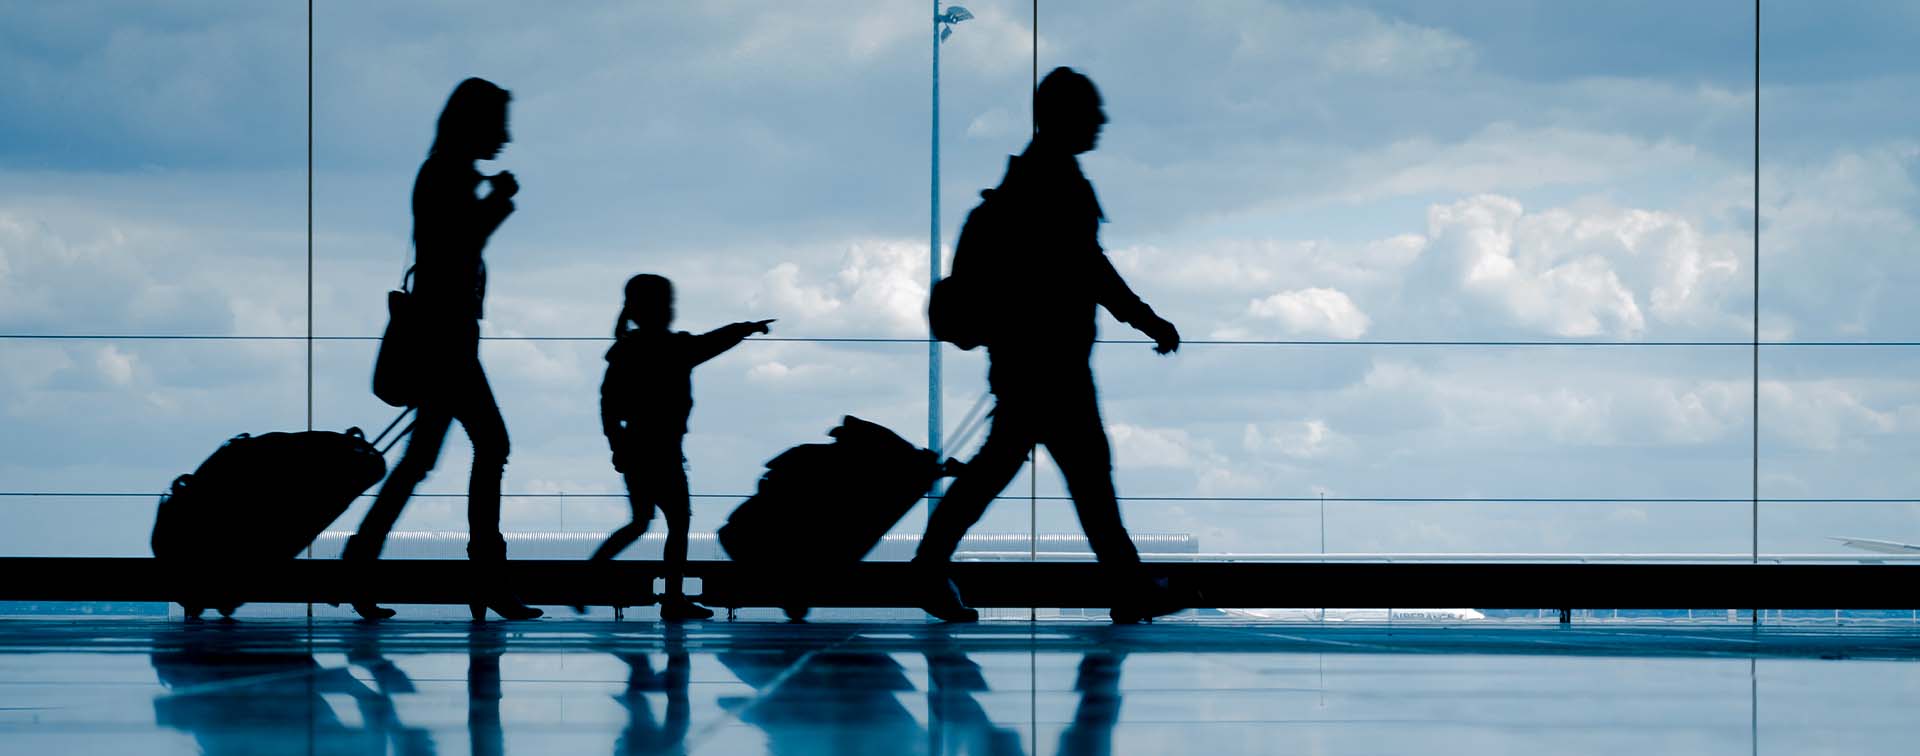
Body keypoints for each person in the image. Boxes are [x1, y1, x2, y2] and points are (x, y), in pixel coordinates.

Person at [917, 67, 1185, 624]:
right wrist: (1147, 320)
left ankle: (928, 568)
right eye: (1092, 111)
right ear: (1064, 117)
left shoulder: (1030, 182)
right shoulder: (1057, 184)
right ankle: (1129, 588)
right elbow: (1091, 270)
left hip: (1024, 360)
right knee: (1085, 475)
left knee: (1008, 472)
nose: (1101, 121)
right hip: (1053, 364)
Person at [343, 77, 541, 621]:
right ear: (475, 124)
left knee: (420, 461)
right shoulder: (449, 175)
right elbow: (459, 245)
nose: (504, 136)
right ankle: (487, 581)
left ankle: (361, 564)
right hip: (447, 341)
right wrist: (499, 202)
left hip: (441, 337)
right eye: (498, 124)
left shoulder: (443, 173)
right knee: (491, 445)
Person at [588, 273, 773, 621]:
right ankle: (672, 598)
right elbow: (711, 343)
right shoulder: (672, 348)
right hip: (663, 451)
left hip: (636, 448)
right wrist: (745, 328)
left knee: (642, 521)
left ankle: (591, 574)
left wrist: (617, 446)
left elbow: (608, 405)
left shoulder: (627, 350)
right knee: (677, 522)